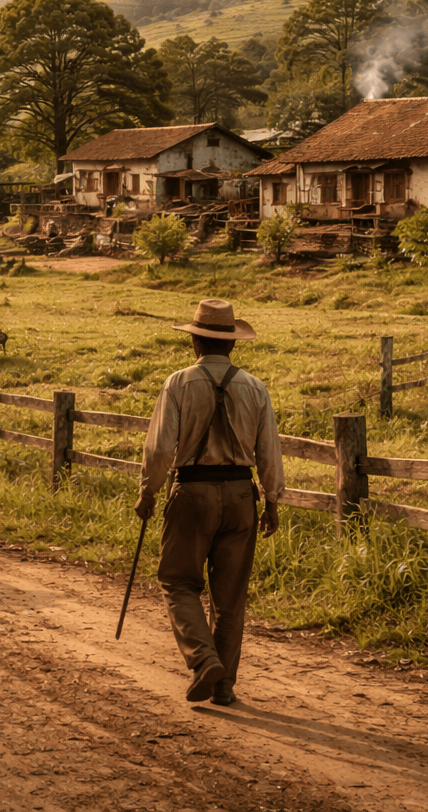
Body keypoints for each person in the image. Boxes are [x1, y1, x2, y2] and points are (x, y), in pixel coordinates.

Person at [136, 298, 283, 705]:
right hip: (241, 495)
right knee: (230, 597)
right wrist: (272, 501)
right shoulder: (255, 387)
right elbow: (269, 452)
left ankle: (203, 660)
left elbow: (160, 448)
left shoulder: (178, 383)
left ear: (195, 342)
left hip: (193, 492)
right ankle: (224, 685)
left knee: (177, 581)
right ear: (232, 344)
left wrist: (148, 491)